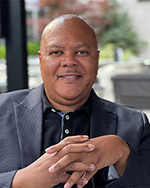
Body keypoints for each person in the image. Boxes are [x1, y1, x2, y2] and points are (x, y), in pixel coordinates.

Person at [0, 14, 150, 188]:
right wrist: (18, 180)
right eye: (56, 52)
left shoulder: (134, 125)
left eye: (81, 52)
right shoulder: (1, 112)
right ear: (41, 60)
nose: (69, 62)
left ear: (97, 58)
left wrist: (123, 153)